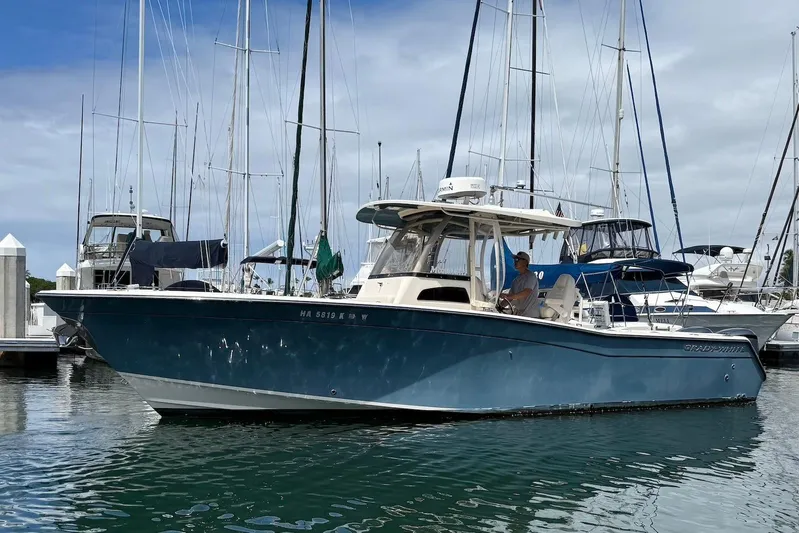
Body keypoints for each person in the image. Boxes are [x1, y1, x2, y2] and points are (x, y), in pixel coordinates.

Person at [501, 251, 540, 318]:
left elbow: (526, 292)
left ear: (525, 262)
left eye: (517, 259)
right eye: (515, 259)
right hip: (521, 316)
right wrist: (499, 306)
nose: (515, 261)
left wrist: (508, 297)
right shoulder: (515, 280)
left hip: (531, 316)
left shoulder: (531, 276)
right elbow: (509, 299)